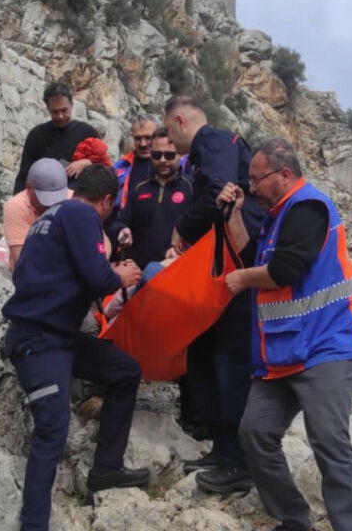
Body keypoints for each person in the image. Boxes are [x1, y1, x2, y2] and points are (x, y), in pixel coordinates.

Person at [216, 138, 352, 531]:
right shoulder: (275, 217)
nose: (251, 185)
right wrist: (232, 216)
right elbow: (256, 260)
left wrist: (241, 281)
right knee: (255, 432)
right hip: (285, 353)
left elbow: (281, 271)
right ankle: (298, 528)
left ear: (283, 175)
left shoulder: (307, 207)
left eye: (256, 178)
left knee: (329, 442)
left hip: (329, 346)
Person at [1, 163, 150, 531]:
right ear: (106, 202)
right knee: (52, 428)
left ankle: (106, 469)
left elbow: (64, 276)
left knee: (124, 370)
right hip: (39, 340)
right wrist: (119, 275)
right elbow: (96, 276)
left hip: (58, 335)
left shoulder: (48, 218)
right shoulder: (82, 214)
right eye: (110, 207)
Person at [162, 95, 266, 489]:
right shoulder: (215, 146)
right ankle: (224, 448)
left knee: (229, 362)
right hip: (232, 262)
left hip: (240, 263)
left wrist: (182, 229)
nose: (169, 142)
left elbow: (216, 194)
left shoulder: (211, 141)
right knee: (211, 355)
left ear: (180, 121)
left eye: (169, 132)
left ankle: (238, 460)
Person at [116, 128, 193, 270]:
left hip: (176, 269)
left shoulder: (192, 188)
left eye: (169, 155)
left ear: (180, 155)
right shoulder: (139, 188)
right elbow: (121, 220)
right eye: (157, 155)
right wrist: (123, 230)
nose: (163, 160)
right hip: (138, 272)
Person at [13, 83, 101, 194]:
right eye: (55, 112)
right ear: (48, 109)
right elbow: (24, 175)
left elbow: (104, 170)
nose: (60, 116)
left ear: (72, 105)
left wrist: (86, 163)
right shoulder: (37, 135)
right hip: (41, 198)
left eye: (64, 110)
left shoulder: (87, 132)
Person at [2, 158, 71, 270]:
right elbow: (23, 260)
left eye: (57, 197)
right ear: (29, 187)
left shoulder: (74, 200)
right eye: (45, 199)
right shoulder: (17, 206)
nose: (51, 205)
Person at [113, 114, 159, 209]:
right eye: (138, 138)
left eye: (148, 137)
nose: (143, 144)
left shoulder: (175, 165)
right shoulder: (120, 166)